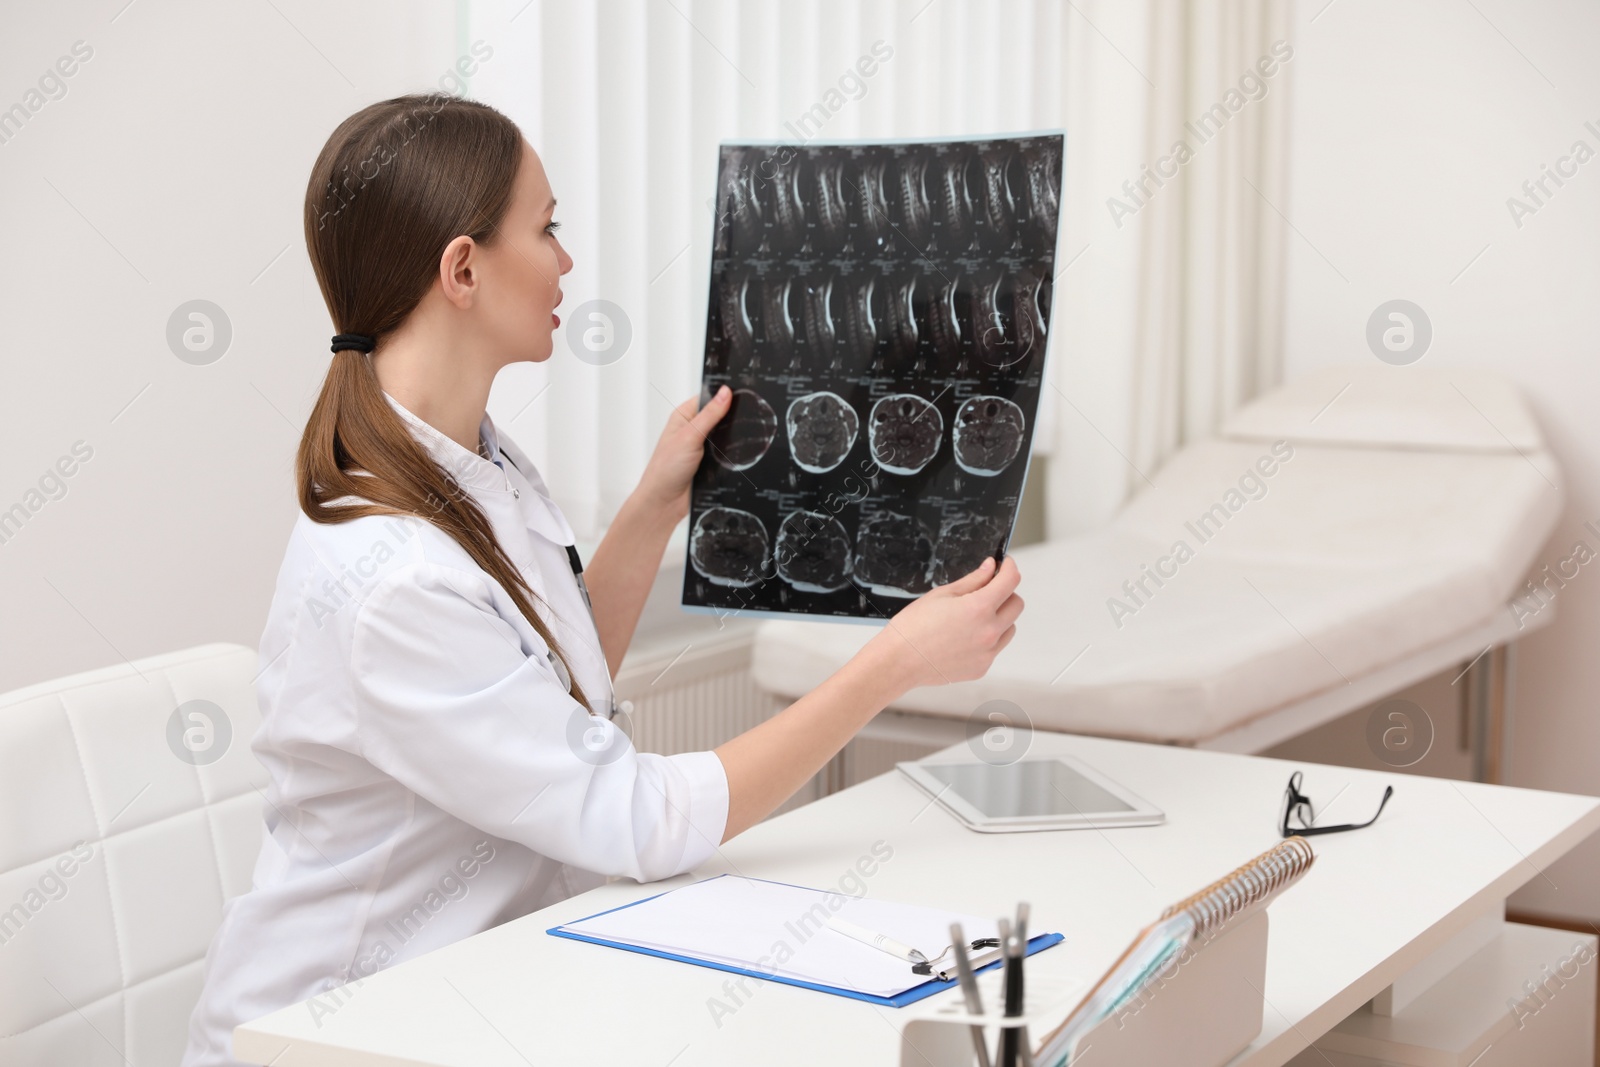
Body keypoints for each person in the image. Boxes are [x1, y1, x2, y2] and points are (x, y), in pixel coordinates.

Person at [181, 92, 1023, 1066]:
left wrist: (652, 505)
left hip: (472, 987)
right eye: (545, 230)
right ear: (462, 268)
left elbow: (547, 683)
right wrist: (892, 664)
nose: (566, 261)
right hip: (338, 1029)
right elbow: (635, 818)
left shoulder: (474, 462)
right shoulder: (388, 577)